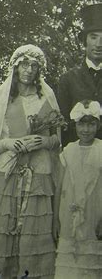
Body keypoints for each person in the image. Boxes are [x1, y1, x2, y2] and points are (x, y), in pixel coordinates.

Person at [0, 44, 62, 279]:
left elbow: (57, 142)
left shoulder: (47, 98)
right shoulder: (1, 100)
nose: (29, 70)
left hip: (38, 175)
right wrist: (9, 144)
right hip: (6, 174)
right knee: (0, 236)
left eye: (34, 66)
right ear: (15, 67)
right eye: (24, 64)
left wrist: (44, 141)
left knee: (33, 236)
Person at [53, 100, 102, 279]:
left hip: (94, 214)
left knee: (91, 266)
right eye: (82, 124)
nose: (86, 129)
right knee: (69, 267)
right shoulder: (68, 151)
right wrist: (55, 221)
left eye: (91, 124)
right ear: (75, 125)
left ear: (98, 124)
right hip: (68, 215)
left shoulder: (101, 150)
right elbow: (59, 187)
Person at [58, 3, 102, 145]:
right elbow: (62, 125)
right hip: (78, 158)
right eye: (93, 37)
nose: (99, 44)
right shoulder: (68, 79)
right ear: (85, 41)